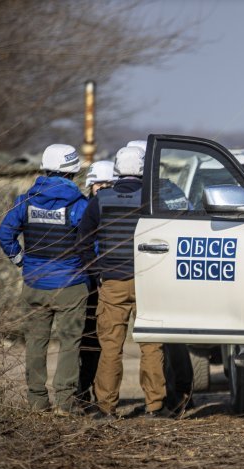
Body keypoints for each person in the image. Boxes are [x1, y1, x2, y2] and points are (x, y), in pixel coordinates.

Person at [77, 146, 170, 420]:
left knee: (110, 347)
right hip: (148, 282)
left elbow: (82, 241)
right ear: (143, 169)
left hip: (112, 283)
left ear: (117, 169)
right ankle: (156, 406)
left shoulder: (101, 199)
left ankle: (106, 407)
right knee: (151, 345)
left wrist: (97, 270)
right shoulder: (153, 198)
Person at [0, 143, 89, 416]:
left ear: (45, 169)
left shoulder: (25, 201)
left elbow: (5, 235)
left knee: (36, 343)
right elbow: (91, 245)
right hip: (70, 284)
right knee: (70, 342)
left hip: (34, 283)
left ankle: (37, 403)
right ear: (73, 172)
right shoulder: (79, 204)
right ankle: (66, 402)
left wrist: (21, 260)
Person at [76, 160, 117, 406]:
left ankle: (95, 392)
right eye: (98, 183)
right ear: (90, 185)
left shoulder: (112, 208)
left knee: (104, 342)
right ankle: (83, 392)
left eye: (107, 183)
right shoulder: (84, 208)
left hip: (107, 280)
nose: (102, 187)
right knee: (88, 340)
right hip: (90, 282)